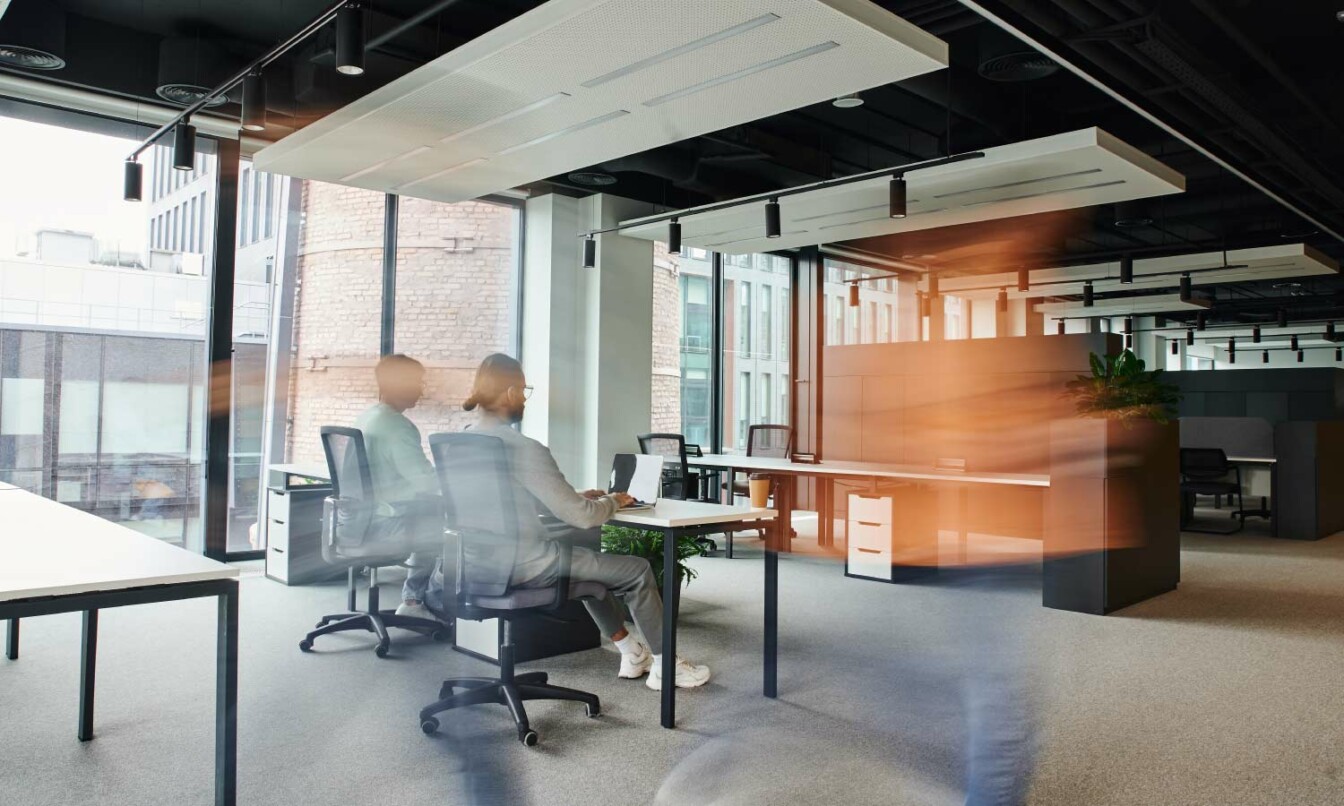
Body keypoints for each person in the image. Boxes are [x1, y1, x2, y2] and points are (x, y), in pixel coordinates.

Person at [461, 353, 710, 690]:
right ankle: (667, 666)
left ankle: (630, 651)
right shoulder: (523, 447)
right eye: (523, 391)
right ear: (509, 393)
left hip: (479, 563)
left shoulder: (465, 439)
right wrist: (613, 500)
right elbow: (581, 516)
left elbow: (506, 500)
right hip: (528, 564)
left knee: (591, 567)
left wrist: (574, 494)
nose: (524, 399)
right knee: (636, 571)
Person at [354, 354, 442, 623]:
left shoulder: (367, 416)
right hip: (387, 524)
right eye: (417, 383)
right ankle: (417, 601)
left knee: (431, 514)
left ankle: (418, 598)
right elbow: (426, 482)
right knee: (450, 527)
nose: (421, 390)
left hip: (361, 520)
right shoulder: (398, 426)